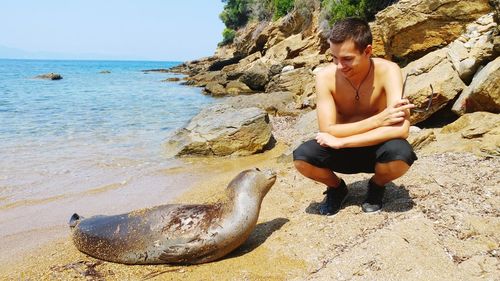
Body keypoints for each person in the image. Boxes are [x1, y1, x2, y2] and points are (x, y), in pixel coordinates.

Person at [293, 18, 417, 215]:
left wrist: (343, 141)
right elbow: (327, 129)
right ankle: (337, 188)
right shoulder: (325, 77)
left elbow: (401, 129)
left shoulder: (388, 71)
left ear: (367, 51)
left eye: (347, 58)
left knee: (401, 154)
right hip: (341, 149)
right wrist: (379, 119)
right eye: (334, 58)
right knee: (302, 158)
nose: (340, 66)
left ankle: (376, 185)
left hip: (375, 146)